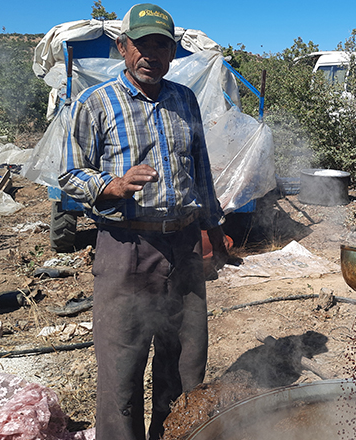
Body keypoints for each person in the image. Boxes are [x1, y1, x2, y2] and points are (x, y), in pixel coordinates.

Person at [58, 4, 229, 439]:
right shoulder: (94, 103)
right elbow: (68, 174)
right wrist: (111, 185)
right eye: (142, 44)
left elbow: (202, 171)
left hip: (185, 246)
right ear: (122, 47)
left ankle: (175, 433)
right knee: (122, 362)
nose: (151, 54)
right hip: (127, 247)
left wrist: (215, 233)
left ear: (172, 53)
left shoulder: (184, 98)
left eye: (162, 45)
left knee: (186, 356)